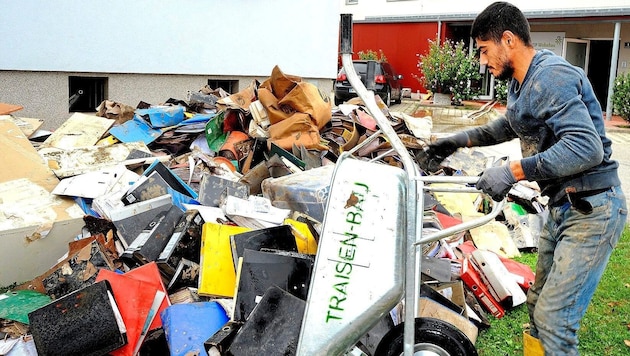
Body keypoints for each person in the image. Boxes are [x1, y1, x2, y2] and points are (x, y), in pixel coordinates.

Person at [424, 2, 627, 354]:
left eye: (485, 51)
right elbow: (511, 124)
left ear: (508, 39)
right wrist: (457, 141)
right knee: (537, 308)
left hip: (593, 209)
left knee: (554, 319)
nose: (482, 62)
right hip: (565, 206)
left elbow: (586, 148)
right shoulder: (522, 84)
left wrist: (515, 170)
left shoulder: (550, 76)